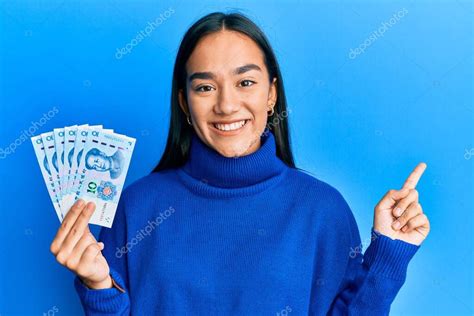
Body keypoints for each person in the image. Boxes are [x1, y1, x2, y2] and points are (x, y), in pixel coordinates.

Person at [49, 12, 430, 315]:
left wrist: (388, 254)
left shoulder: (322, 210)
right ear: (184, 102)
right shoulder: (136, 207)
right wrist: (99, 288)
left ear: (271, 94)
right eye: (205, 87)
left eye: (245, 83)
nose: (226, 105)